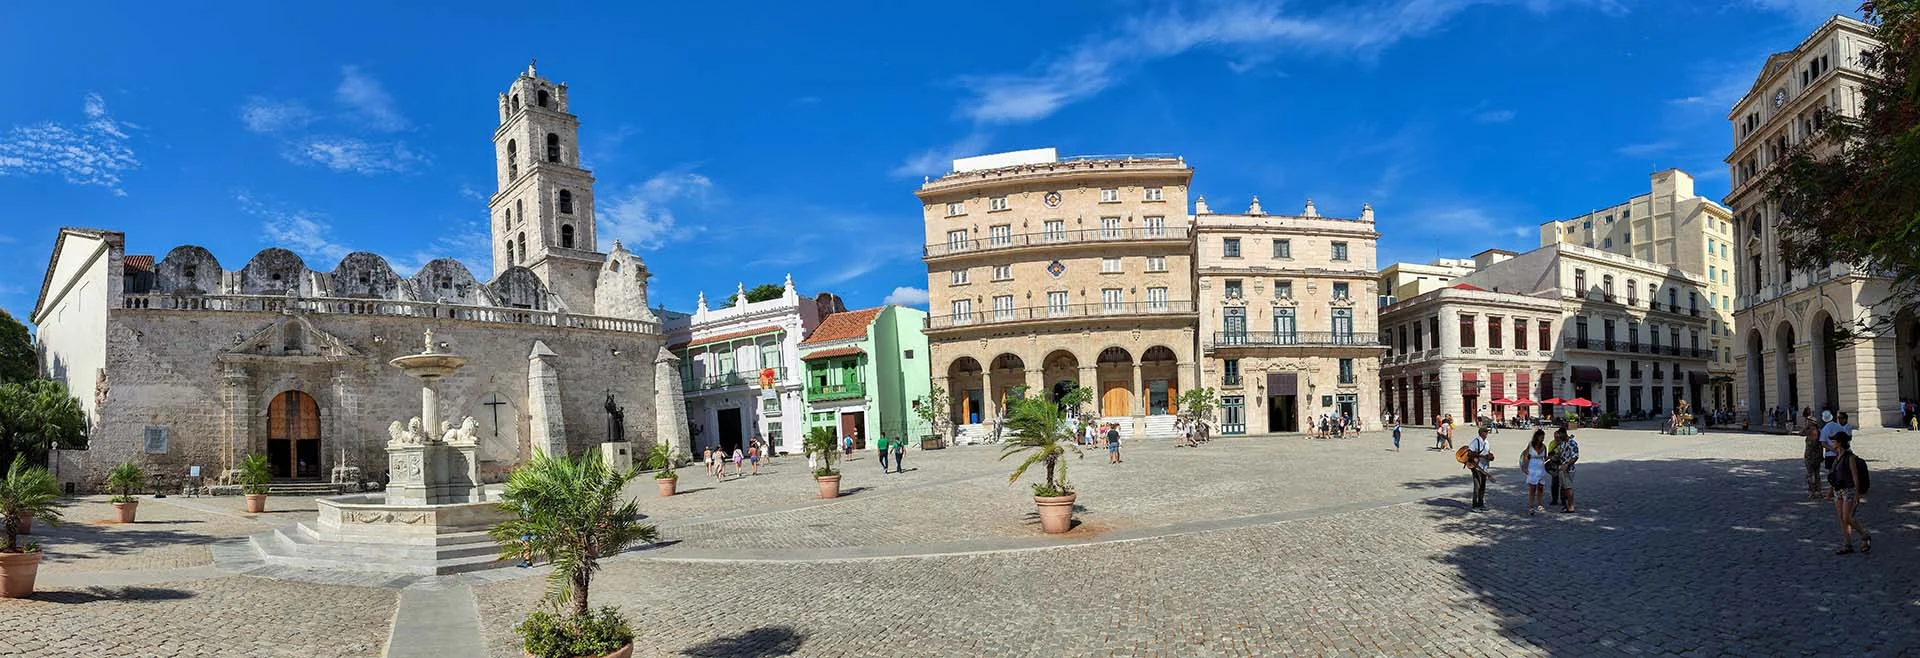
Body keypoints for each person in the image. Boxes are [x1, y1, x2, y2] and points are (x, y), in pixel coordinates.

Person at [1828, 432, 1872, 555]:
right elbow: (1834, 475)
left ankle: (1864, 534)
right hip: (1838, 490)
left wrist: (1857, 493)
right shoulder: (1836, 457)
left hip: (1849, 489)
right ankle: (1847, 544)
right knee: (1842, 518)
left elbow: (1855, 476)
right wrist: (1830, 490)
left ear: (1840, 442)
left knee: (1847, 517)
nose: (1832, 443)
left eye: (1834, 441)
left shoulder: (1850, 457)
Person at [1521, 429, 1548, 515]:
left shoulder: (1544, 446)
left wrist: (1551, 457)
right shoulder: (1530, 445)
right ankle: (1531, 506)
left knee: (1540, 487)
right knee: (1532, 488)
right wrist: (1525, 467)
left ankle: (1540, 504)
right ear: (1537, 437)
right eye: (1541, 437)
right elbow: (1525, 456)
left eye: (1543, 437)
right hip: (1532, 467)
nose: (1543, 438)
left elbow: (1545, 458)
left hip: (1540, 467)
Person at [1465, 426, 1493, 510]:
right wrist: (1482, 456)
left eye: (1487, 432)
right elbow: (1469, 453)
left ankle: (1481, 503)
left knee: (1483, 486)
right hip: (1476, 466)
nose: (1487, 433)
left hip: (1484, 466)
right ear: (1481, 433)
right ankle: (1474, 504)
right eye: (1485, 432)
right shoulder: (1475, 441)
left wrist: (1490, 456)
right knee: (1477, 485)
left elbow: (1487, 452)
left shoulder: (1486, 442)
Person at [1555, 428, 1580, 513]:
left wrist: (1567, 465)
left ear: (1564, 434)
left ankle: (1571, 506)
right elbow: (1561, 455)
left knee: (1568, 488)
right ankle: (1567, 504)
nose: (1558, 438)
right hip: (1562, 468)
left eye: (1559, 436)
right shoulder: (1563, 443)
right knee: (1565, 488)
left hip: (1568, 469)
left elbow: (1575, 456)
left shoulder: (1572, 443)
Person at [1802, 419, 1825, 499]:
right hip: (1813, 456)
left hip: (1811, 457)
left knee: (1812, 475)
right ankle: (1817, 491)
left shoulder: (1815, 432)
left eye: (1808, 421)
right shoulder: (1816, 432)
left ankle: (1813, 492)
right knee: (1815, 475)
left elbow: (1821, 445)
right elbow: (1801, 433)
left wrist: (1807, 427)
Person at [1546, 429, 1565, 508]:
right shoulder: (1552, 443)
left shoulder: (1564, 444)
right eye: (1555, 437)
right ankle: (1554, 499)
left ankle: (1563, 499)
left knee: (1563, 484)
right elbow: (1550, 454)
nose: (1556, 438)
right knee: (1554, 483)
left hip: (1562, 464)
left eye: (1557, 437)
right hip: (1554, 465)